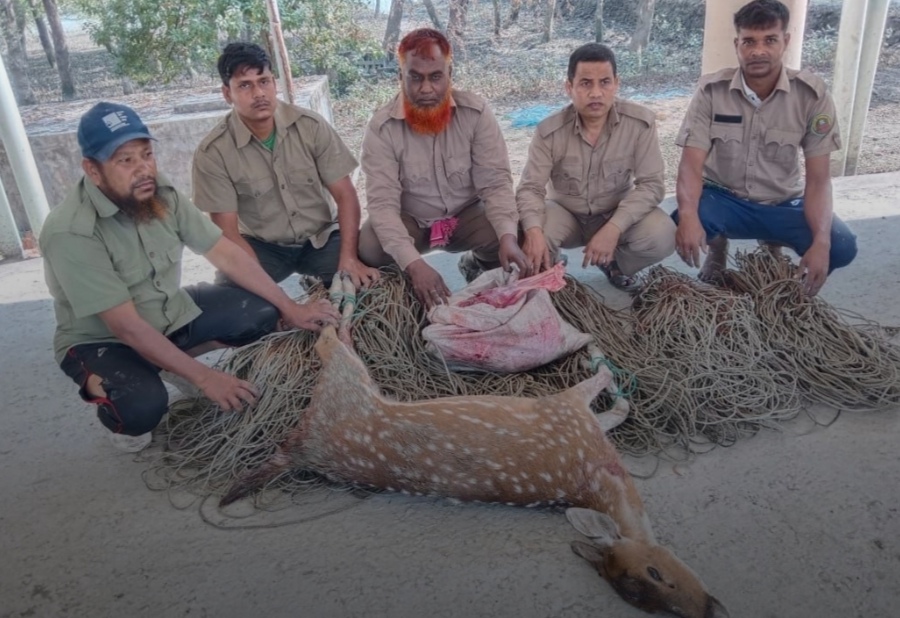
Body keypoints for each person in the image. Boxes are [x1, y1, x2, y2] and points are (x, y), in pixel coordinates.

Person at [41, 102, 339, 452]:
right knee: (140, 407)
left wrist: (291, 307)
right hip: (103, 340)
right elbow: (126, 326)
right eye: (125, 160)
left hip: (166, 312)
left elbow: (225, 252)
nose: (143, 169)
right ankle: (119, 394)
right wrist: (204, 377)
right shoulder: (72, 232)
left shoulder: (158, 192)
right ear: (92, 170)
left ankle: (161, 361)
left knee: (262, 311)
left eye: (147, 154)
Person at [673, 0, 857, 296]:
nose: (758, 51)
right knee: (684, 219)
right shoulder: (712, 91)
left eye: (770, 40)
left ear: (786, 41)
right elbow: (691, 166)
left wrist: (822, 242)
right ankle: (717, 249)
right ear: (737, 44)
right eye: (749, 41)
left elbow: (819, 179)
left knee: (841, 246)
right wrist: (689, 218)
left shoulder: (811, 96)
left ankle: (772, 243)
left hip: (781, 201)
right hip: (724, 199)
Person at [358, 28, 529, 309]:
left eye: (435, 77)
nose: (426, 89)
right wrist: (414, 265)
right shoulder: (382, 128)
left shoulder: (475, 113)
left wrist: (508, 239)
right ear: (401, 76)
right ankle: (404, 296)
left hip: (466, 217)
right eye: (415, 77)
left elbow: (495, 183)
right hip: (413, 222)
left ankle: (479, 265)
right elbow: (382, 204)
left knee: (517, 233)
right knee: (370, 246)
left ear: (450, 74)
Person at [192, 42, 379, 289]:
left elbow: (345, 195)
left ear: (274, 83)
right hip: (261, 248)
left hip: (321, 239)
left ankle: (319, 280)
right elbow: (228, 233)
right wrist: (274, 298)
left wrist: (349, 259)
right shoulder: (213, 153)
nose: (259, 93)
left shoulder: (310, 126)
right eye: (245, 85)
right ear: (227, 93)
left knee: (365, 283)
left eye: (264, 81)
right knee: (236, 299)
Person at [516, 43, 675, 292]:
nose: (596, 93)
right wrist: (534, 232)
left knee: (663, 234)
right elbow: (530, 188)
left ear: (616, 84)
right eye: (585, 83)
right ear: (569, 87)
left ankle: (614, 264)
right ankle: (549, 265)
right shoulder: (549, 131)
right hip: (566, 215)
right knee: (526, 230)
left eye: (605, 82)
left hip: (615, 212)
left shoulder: (639, 123)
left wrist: (614, 227)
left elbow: (652, 185)